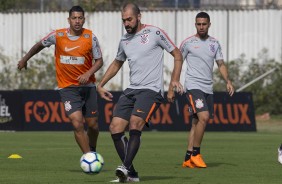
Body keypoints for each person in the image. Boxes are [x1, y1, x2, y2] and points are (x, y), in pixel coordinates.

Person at [97, 3, 183, 182]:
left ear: (139, 17)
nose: (126, 23)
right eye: (124, 20)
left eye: (129, 19)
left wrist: (174, 81)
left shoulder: (155, 33)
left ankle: (125, 167)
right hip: (131, 90)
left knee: (135, 123)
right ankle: (131, 175)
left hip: (151, 90)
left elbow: (177, 55)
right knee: (114, 128)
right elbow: (117, 63)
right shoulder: (124, 40)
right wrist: (101, 84)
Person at [17, 6, 103, 154]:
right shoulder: (57, 35)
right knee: (77, 123)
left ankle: (92, 149)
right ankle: (89, 157)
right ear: (68, 20)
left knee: (93, 126)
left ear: (84, 19)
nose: (77, 21)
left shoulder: (90, 37)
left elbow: (99, 61)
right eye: (74, 18)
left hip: (88, 87)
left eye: (80, 18)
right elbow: (39, 45)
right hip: (67, 88)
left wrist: (88, 74)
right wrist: (25, 59)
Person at [180, 12, 234, 168]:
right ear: (195, 24)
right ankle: (196, 154)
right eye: (198, 24)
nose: (201, 26)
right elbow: (179, 61)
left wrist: (228, 81)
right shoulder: (188, 43)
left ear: (209, 24)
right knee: (204, 117)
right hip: (193, 86)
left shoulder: (214, 43)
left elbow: (221, 64)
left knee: (196, 122)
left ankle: (188, 158)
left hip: (208, 88)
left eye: (204, 24)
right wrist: (174, 82)